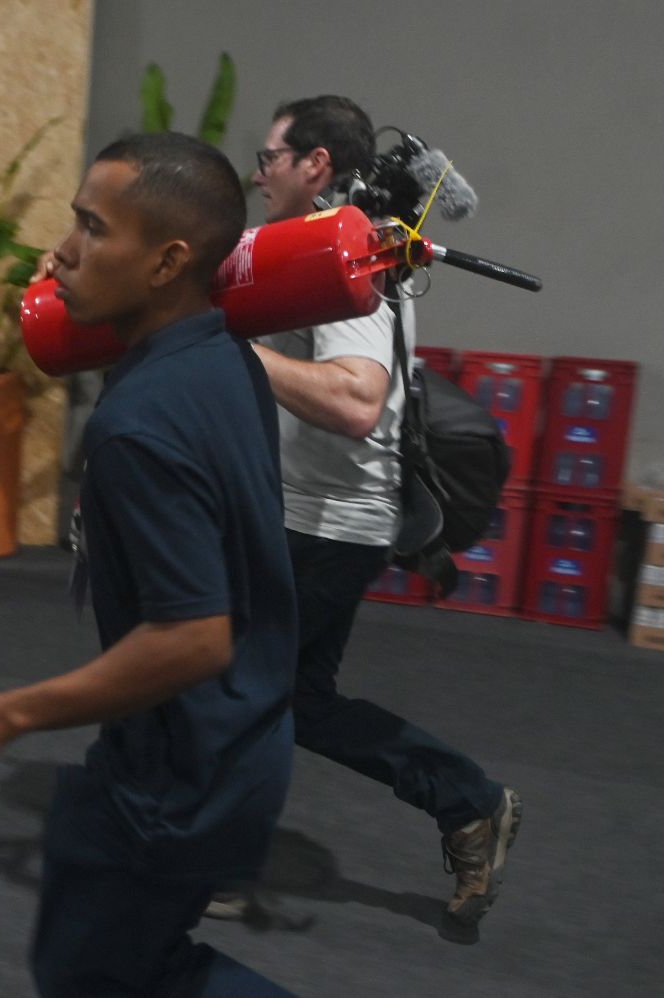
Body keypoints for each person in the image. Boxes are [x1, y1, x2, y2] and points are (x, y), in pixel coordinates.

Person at [0, 132, 298, 996]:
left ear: (168, 262)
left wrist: (5, 714)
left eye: (93, 228)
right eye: (75, 221)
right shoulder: (225, 359)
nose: (62, 251)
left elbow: (192, 638)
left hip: (180, 774)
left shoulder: (137, 426)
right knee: (130, 970)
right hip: (238, 745)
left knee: (95, 975)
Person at [223, 95, 521, 927]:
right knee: (298, 700)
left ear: (315, 164)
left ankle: (220, 866)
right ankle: (469, 801)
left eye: (271, 157)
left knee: (236, 689)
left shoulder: (347, 255)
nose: (259, 172)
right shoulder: (305, 249)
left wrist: (230, 349)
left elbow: (357, 401)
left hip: (326, 525)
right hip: (312, 515)